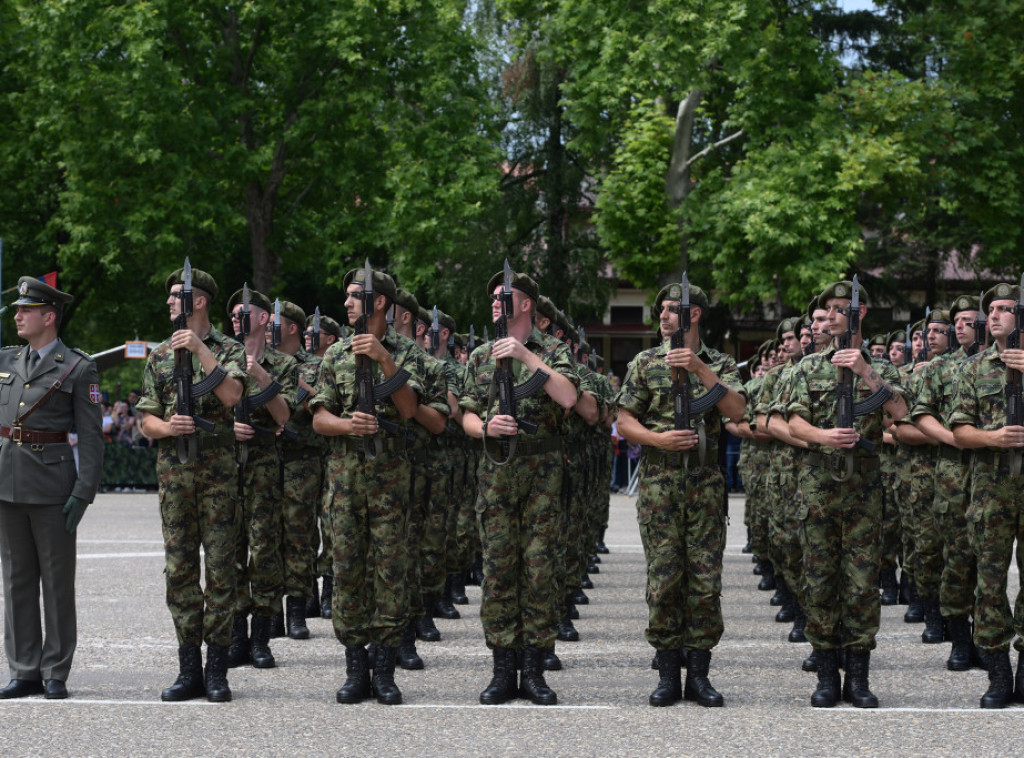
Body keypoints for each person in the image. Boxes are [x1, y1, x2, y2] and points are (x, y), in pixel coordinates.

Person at [615, 279, 745, 708]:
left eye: (672, 310)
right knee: (664, 579)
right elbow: (624, 420)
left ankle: (700, 676)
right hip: (660, 483)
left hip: (705, 483)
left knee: (705, 582)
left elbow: (737, 410)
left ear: (694, 314)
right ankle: (669, 674)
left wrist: (700, 369)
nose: (664, 317)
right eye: (662, 311)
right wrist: (658, 440)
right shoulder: (645, 362)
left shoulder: (720, 363)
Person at [310, 265, 432, 706]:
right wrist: (347, 425)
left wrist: (384, 359)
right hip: (345, 481)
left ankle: (384, 670)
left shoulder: (408, 353)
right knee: (346, 571)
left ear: (379, 302)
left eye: (354, 295)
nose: (346, 303)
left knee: (390, 573)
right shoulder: (336, 354)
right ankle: (355, 669)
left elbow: (411, 408)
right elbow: (319, 417)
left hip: (391, 483)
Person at [785, 280, 908, 708]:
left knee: (862, 585)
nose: (834, 316)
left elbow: (901, 412)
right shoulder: (808, 367)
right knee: (819, 582)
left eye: (842, 308)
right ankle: (825, 675)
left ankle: (858, 677)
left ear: (860, 313)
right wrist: (825, 436)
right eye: (830, 309)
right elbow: (794, 422)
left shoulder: (881, 369)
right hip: (819, 488)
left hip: (864, 491)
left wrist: (865, 372)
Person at [460, 266, 579, 706]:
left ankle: (533, 670)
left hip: (542, 477)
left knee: (540, 571)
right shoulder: (480, 356)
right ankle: (501, 670)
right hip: (497, 475)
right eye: (492, 296)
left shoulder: (553, 351)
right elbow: (466, 414)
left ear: (526, 303)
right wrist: (485, 427)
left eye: (503, 296)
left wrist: (528, 358)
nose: (495, 302)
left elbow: (569, 398)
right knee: (497, 571)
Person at [136, 264, 246, 702]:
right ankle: (188, 669)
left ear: (198, 301)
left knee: (221, 570)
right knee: (180, 570)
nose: (168, 301)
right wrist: (168, 427)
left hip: (219, 475)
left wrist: (201, 349)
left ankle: (216, 669)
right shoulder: (160, 355)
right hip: (175, 475)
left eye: (176, 295)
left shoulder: (229, 349)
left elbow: (233, 395)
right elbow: (146, 419)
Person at [0, 276, 104, 700]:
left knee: (57, 584)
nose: (18, 316)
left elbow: (92, 436)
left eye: (26, 310)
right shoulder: (7, 360)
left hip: (52, 488)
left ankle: (55, 669)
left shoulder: (77, 367)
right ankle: (24, 669)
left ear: (49, 317)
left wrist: (84, 491)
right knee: (16, 581)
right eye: (17, 310)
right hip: (7, 484)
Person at [949, 280, 1024, 708]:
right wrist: (994, 439)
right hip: (991, 490)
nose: (993, 315)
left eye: (1004, 309)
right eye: (990, 310)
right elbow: (960, 431)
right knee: (989, 582)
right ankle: (998, 672)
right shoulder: (974, 368)